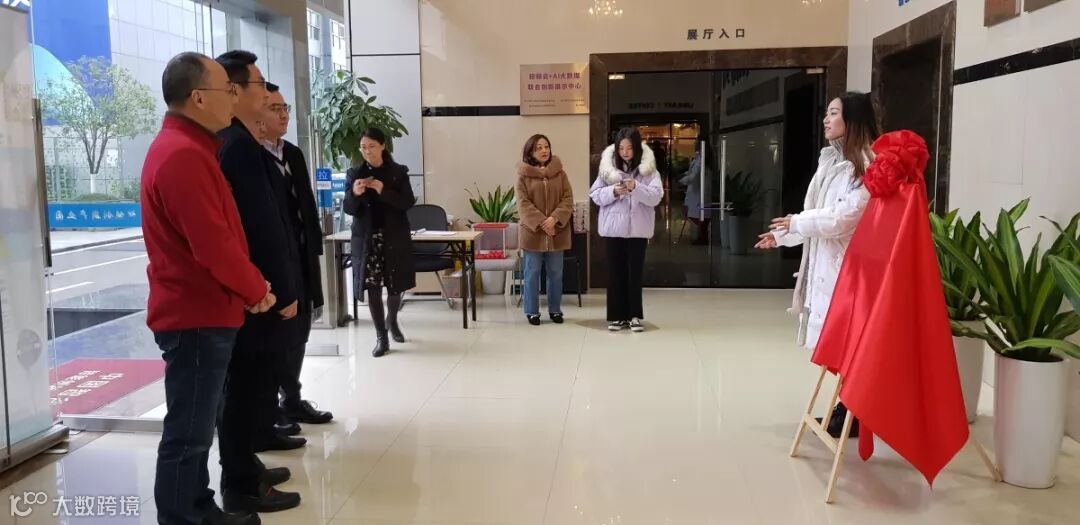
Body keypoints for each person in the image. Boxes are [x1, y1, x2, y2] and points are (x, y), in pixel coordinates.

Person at [143, 51, 273, 525]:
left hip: (203, 311)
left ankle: (198, 508)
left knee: (196, 427)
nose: (233, 99)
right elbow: (213, 245)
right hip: (195, 315)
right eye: (227, 90)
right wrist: (256, 289)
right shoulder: (182, 156)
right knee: (189, 433)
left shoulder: (192, 149)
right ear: (199, 98)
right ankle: (185, 517)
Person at [754, 91, 880, 438]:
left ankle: (854, 410)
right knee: (840, 344)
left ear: (852, 120)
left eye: (834, 113)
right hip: (829, 265)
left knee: (851, 344)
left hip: (851, 270)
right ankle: (848, 407)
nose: (826, 119)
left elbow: (843, 217)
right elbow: (817, 215)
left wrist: (795, 223)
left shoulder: (867, 164)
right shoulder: (831, 162)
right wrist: (782, 235)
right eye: (826, 113)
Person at [214, 49, 303, 514]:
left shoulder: (246, 144)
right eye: (260, 84)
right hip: (257, 294)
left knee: (256, 382)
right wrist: (280, 290)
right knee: (244, 388)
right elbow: (257, 229)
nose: (268, 93)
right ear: (234, 91)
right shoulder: (235, 147)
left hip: (263, 289)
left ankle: (248, 466)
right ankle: (242, 484)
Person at [260, 82, 334, 437]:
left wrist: (314, 247)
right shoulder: (249, 154)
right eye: (274, 108)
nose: (283, 115)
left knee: (301, 330)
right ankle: (268, 407)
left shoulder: (291, 153)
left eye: (285, 107)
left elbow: (306, 204)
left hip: (302, 255)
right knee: (276, 334)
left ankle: (292, 397)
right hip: (274, 262)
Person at [342, 128, 416, 357]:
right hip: (367, 240)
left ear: (383, 146)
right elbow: (348, 209)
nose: (367, 152)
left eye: (372, 146)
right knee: (372, 287)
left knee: (395, 286)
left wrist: (383, 190)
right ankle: (381, 336)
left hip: (393, 237)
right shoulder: (354, 173)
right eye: (363, 147)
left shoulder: (398, 172)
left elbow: (407, 202)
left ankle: (391, 320)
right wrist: (354, 193)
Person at [590, 127, 664, 333]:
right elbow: (595, 195)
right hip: (613, 230)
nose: (625, 152)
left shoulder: (648, 171)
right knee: (615, 274)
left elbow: (656, 197)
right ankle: (617, 317)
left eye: (629, 148)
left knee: (634, 274)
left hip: (638, 231)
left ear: (637, 148)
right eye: (621, 148)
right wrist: (613, 191)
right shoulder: (608, 170)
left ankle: (634, 316)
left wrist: (636, 188)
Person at [515, 134, 574, 325]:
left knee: (556, 273)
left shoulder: (560, 174)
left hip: (557, 232)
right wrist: (543, 222)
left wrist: (554, 219)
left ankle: (555, 310)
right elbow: (523, 204)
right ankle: (532, 311)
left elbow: (567, 199)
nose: (544, 150)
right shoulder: (523, 176)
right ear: (530, 151)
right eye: (539, 147)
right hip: (533, 234)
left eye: (546, 146)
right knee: (531, 273)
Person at [678, 141, 710, 245]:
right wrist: (685, 175)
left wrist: (682, 180)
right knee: (698, 213)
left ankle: (702, 237)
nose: (694, 144)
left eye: (696, 142)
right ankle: (702, 236)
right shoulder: (699, 157)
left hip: (699, 190)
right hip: (697, 190)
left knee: (700, 214)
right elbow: (692, 172)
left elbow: (695, 175)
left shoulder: (702, 159)